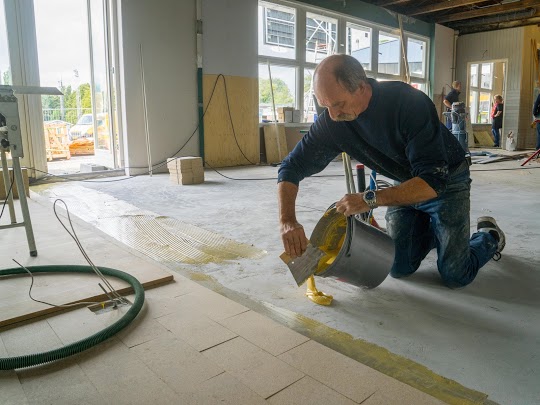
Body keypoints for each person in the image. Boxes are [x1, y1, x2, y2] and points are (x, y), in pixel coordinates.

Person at [277, 54, 505, 289]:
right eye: (325, 105)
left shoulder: (407, 103)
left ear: (362, 87)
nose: (333, 115)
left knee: (455, 275)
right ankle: (435, 232)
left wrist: (369, 199)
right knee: (396, 266)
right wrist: (287, 221)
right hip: (404, 182)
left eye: (339, 104)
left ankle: (489, 236)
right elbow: (291, 167)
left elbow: (433, 181)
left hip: (446, 181)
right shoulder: (332, 123)